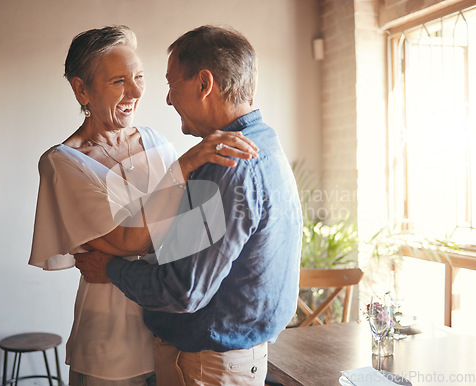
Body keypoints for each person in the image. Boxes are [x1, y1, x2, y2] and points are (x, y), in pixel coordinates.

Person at [28, 25, 258, 385]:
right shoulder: (63, 162)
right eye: (119, 80)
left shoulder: (153, 139)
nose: (136, 91)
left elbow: (188, 225)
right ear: (81, 89)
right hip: (111, 338)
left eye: (138, 77)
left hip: (175, 332)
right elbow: (127, 241)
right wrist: (183, 166)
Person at [76, 25, 303, 385]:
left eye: (172, 83)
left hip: (205, 368)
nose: (167, 99)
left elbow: (181, 290)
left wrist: (110, 268)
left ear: (203, 84)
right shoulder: (264, 142)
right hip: (237, 361)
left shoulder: (224, 165)